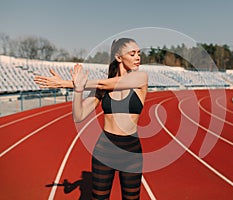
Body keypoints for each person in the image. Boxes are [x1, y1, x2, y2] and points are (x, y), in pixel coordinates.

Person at [34, 38, 148, 200]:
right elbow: (79, 116)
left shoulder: (141, 78)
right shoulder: (102, 89)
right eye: (132, 53)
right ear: (118, 57)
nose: (138, 57)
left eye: (139, 53)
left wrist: (67, 84)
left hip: (131, 151)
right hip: (105, 150)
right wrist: (78, 92)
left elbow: (103, 84)